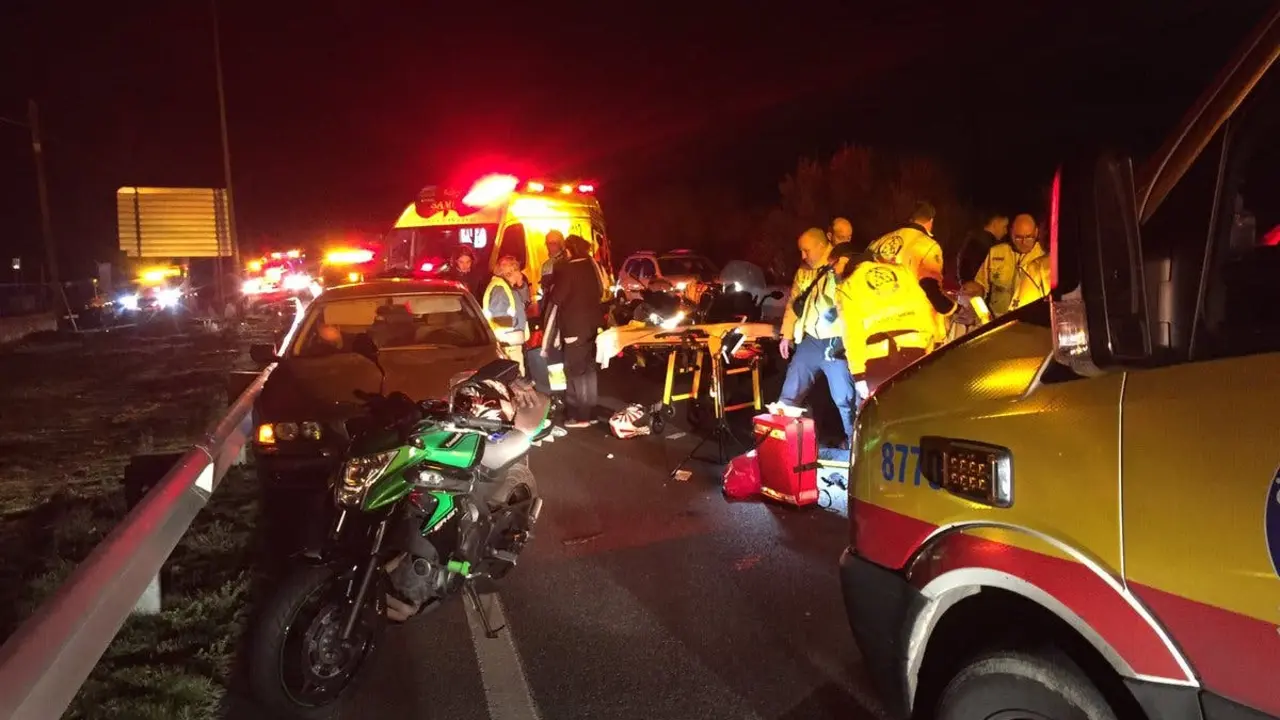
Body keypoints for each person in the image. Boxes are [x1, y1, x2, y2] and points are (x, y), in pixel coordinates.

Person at [833, 243, 950, 398]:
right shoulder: (902, 271)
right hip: (916, 350)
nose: (834, 272)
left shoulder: (846, 287)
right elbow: (924, 306)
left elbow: (852, 333)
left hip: (878, 360)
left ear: (843, 260)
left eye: (833, 267)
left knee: (887, 410)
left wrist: (858, 374)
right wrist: (935, 342)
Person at [777, 228, 856, 442]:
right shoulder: (804, 271)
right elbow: (794, 302)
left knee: (845, 399)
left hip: (836, 341)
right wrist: (787, 334)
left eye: (806, 250)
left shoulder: (842, 264)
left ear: (822, 246)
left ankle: (855, 445)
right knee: (789, 395)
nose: (803, 256)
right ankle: (781, 443)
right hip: (810, 340)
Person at [545, 234, 603, 428]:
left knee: (575, 371)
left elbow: (557, 297)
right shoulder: (591, 266)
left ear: (569, 250)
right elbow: (600, 291)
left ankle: (579, 416)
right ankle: (591, 413)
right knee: (589, 370)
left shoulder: (568, 270)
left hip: (573, 328)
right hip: (592, 327)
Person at [962, 213, 1046, 317]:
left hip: (1027, 321)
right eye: (1018, 237)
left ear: (1036, 232)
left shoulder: (1044, 258)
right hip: (996, 319)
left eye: (1029, 237)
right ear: (1011, 233)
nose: (1024, 242)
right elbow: (981, 284)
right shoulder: (996, 252)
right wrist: (975, 290)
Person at [483, 256, 532, 374]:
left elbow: (524, 302)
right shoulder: (500, 289)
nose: (520, 274)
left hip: (511, 343)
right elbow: (499, 318)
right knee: (515, 377)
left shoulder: (507, 287)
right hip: (508, 345)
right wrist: (515, 327)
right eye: (517, 270)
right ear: (510, 272)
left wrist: (520, 284)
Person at [954, 212, 1010, 286]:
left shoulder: (974, 239)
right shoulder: (988, 246)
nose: (1006, 232)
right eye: (1004, 227)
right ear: (995, 224)